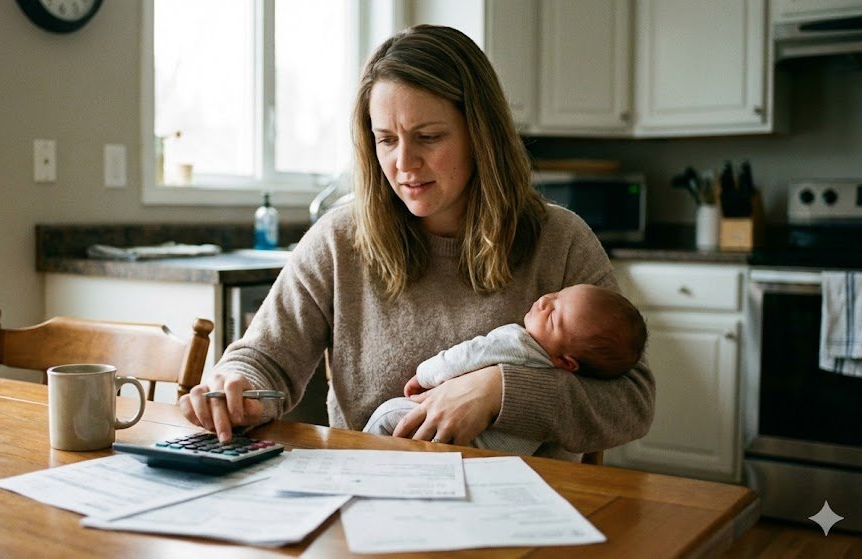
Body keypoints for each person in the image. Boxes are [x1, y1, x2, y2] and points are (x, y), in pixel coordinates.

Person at [179, 24, 654, 461]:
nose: (404, 163)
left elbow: (632, 401)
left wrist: (499, 391)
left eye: (428, 137)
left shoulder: (561, 240)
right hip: (367, 494)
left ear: (480, 136)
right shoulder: (339, 239)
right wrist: (236, 383)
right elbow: (263, 358)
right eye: (386, 140)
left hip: (520, 505)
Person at [363, 284, 648, 455]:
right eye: (558, 294)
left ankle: (353, 461)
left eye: (554, 318)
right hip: (499, 459)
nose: (546, 301)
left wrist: (424, 374)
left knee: (388, 415)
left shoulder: (518, 342)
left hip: (454, 438)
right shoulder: (560, 372)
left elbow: (466, 355)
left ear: (567, 362)